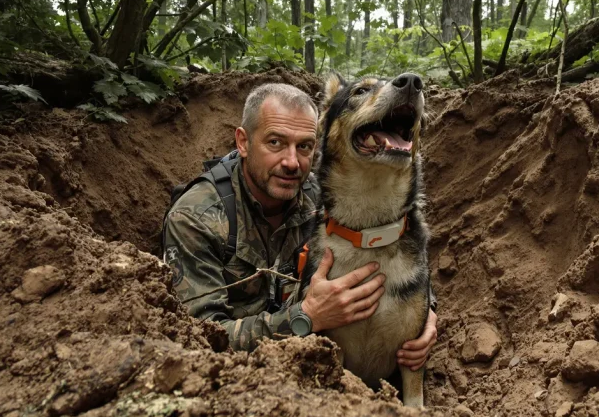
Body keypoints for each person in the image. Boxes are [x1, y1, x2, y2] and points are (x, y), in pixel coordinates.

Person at [163, 83, 437, 372]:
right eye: (275, 143)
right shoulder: (195, 217)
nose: (292, 163)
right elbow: (197, 338)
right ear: (243, 143)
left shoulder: (321, 192)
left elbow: (399, 252)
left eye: (304, 146)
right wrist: (306, 317)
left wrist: (425, 315)